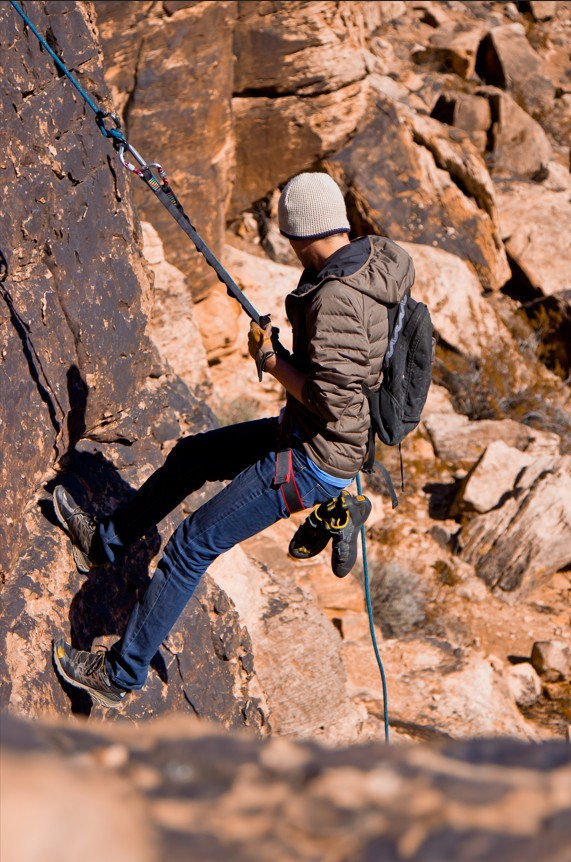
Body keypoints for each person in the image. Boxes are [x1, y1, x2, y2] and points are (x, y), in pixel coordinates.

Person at [52, 172, 415, 708]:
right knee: (193, 456)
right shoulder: (377, 261)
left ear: (302, 234)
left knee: (191, 545)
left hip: (312, 458)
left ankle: (120, 675)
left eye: (291, 239)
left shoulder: (338, 298)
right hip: (309, 436)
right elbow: (347, 372)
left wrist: (270, 360)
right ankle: (104, 541)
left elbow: (331, 398)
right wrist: (284, 352)